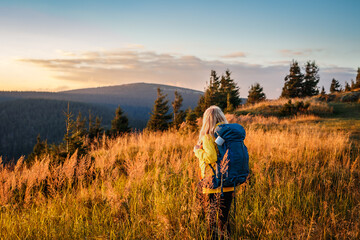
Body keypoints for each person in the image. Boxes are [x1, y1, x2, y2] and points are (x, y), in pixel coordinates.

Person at [193, 105, 234, 239]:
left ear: (207, 120)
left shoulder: (208, 137)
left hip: (213, 185)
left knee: (211, 222)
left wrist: (197, 151)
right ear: (221, 117)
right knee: (225, 221)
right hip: (228, 183)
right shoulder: (229, 136)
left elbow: (211, 157)